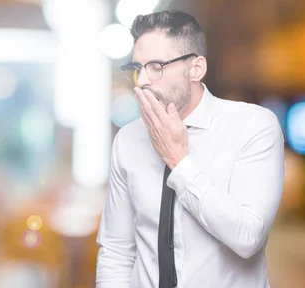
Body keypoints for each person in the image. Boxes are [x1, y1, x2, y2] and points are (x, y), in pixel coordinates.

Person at [95, 10, 284, 288]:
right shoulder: (127, 140)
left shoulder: (253, 126)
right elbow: (116, 251)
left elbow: (248, 238)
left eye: (156, 66)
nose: (143, 81)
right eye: (137, 68)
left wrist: (179, 161)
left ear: (196, 69)